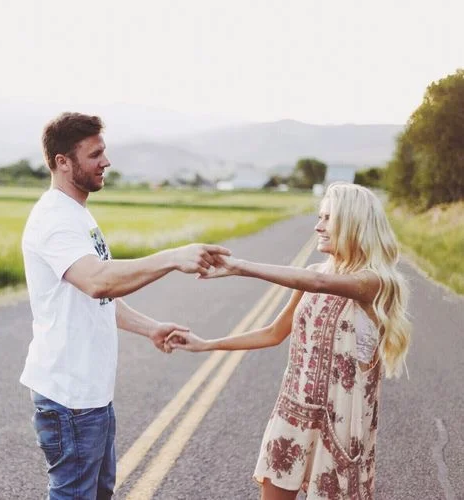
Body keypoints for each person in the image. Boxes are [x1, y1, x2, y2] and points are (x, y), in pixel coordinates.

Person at [20, 112, 231, 499]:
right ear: (62, 162)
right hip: (70, 398)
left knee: (99, 492)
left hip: (90, 394)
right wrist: (172, 258)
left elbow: (98, 299)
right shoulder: (54, 219)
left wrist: (150, 328)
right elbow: (98, 281)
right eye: (94, 154)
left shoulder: (77, 214)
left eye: (104, 151)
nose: (106, 161)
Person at [167, 182, 411, 500]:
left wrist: (239, 267)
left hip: (340, 425)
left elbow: (320, 283)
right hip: (293, 412)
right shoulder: (314, 272)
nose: (318, 226)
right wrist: (207, 344)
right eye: (319, 217)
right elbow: (274, 332)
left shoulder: (374, 282)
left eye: (328, 218)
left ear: (352, 222)